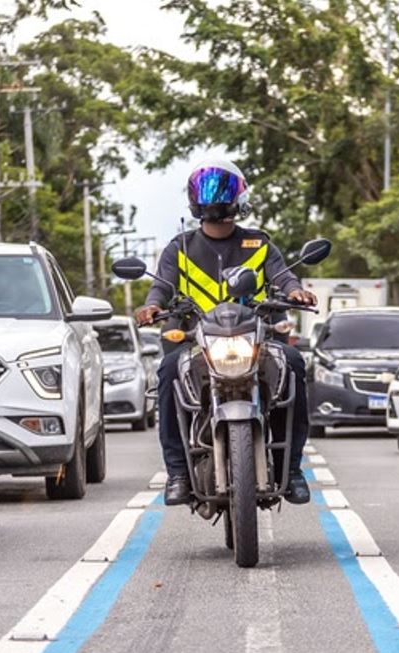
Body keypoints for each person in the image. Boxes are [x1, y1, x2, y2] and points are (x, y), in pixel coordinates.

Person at [135, 160, 318, 507]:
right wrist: (152, 307)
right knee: (168, 371)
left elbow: (283, 277)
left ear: (239, 197)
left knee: (293, 363)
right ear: (193, 199)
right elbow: (160, 289)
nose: (214, 199)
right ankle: (177, 473)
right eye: (207, 191)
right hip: (195, 342)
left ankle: (292, 469)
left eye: (222, 190)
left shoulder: (259, 244)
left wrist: (295, 291)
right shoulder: (181, 247)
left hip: (255, 341)